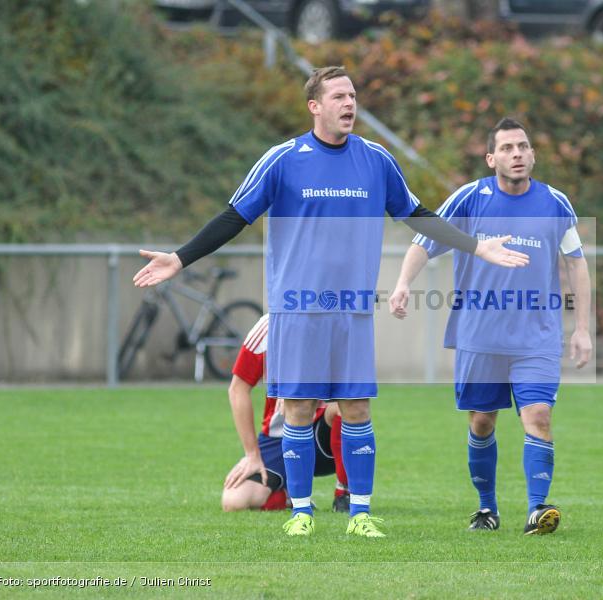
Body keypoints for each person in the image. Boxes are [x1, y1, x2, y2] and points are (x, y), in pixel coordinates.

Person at [133, 66, 529, 538]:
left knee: (357, 407)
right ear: (314, 106)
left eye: (353, 95)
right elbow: (234, 216)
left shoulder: (375, 159)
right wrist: (180, 258)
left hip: (352, 310)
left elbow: (417, 214)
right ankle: (302, 513)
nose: (349, 104)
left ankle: (360, 515)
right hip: (296, 309)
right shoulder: (283, 160)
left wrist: (476, 245)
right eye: (339, 96)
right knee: (298, 408)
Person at [390, 118, 592, 535]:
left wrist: (582, 327)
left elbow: (576, 263)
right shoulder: (469, 198)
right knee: (482, 422)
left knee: (538, 415)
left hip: (536, 336)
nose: (516, 154)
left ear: (533, 154)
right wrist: (402, 284)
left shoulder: (554, 202)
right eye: (507, 148)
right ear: (491, 157)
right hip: (480, 337)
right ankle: (486, 508)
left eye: (523, 146)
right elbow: (423, 240)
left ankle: (538, 510)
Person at [221, 314, 350, 514]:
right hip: (279, 439)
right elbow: (237, 389)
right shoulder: (268, 326)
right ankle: (288, 495)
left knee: (344, 407)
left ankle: (344, 493)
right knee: (233, 501)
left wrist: (299, 390)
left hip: (322, 438)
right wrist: (251, 455)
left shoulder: (338, 324)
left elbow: (352, 391)